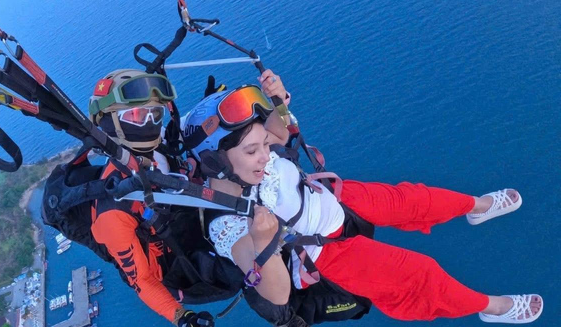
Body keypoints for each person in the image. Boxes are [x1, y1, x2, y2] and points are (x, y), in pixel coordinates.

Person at [181, 70, 543, 325]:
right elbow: (276, 295)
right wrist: (263, 242)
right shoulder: (228, 224)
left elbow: (280, 131)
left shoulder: (250, 155)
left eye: (263, 146)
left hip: (334, 201)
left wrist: (278, 99)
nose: (265, 154)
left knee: (416, 199)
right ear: (216, 162)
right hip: (326, 253)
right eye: (252, 151)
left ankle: (476, 207)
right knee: (420, 275)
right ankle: (492, 307)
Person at [87, 69, 225, 327]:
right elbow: (142, 280)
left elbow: (190, 131)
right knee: (234, 275)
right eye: (138, 115)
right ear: (110, 123)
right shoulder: (113, 210)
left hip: (192, 223)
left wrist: (215, 110)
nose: (150, 123)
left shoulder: (160, 145)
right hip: (179, 265)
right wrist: (182, 318)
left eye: (155, 114)